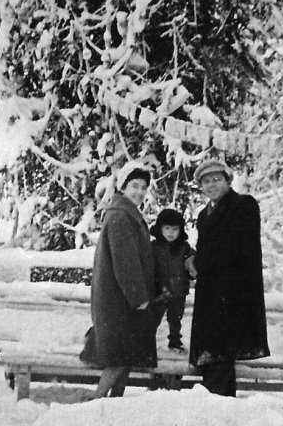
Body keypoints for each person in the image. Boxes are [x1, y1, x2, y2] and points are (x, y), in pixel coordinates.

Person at [189, 156, 270, 397]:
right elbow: (206, 250)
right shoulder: (204, 215)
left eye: (217, 179)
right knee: (210, 359)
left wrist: (200, 262)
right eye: (206, 182)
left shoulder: (243, 205)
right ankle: (214, 412)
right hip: (210, 296)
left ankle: (222, 413)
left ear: (227, 181)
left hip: (234, 296)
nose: (212, 185)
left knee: (222, 357)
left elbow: (236, 248)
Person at [80, 161, 157, 398]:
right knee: (119, 357)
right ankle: (96, 402)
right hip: (119, 301)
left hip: (119, 299)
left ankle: (113, 405)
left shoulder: (125, 213)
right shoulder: (121, 216)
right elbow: (126, 262)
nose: (140, 192)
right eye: (134, 185)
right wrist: (138, 297)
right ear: (122, 187)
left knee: (125, 356)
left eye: (144, 187)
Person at [150, 208, 196, 352]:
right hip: (159, 291)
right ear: (160, 229)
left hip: (178, 291)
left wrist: (193, 268)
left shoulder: (184, 248)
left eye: (175, 229)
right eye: (167, 228)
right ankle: (148, 340)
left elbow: (192, 262)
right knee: (153, 318)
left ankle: (175, 341)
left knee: (175, 319)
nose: (171, 232)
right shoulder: (153, 247)